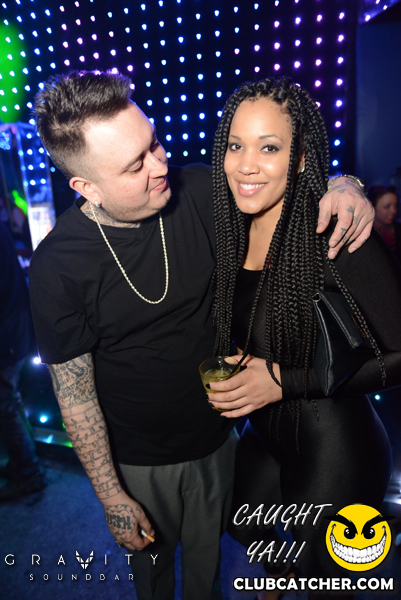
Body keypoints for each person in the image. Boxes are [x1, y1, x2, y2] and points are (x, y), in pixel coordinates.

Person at [29, 70, 375, 600]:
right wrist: (111, 497)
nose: (159, 164)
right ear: (86, 187)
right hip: (140, 458)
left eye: (154, 143)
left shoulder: (195, 189)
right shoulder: (58, 265)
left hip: (220, 439)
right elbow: (73, 394)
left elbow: (280, 179)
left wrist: (345, 184)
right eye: (135, 165)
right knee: (153, 577)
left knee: (207, 569)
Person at [208, 77, 401, 598]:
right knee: (242, 523)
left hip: (338, 446)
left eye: (269, 147)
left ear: (298, 160)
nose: (246, 165)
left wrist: (284, 380)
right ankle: (281, 578)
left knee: (327, 577)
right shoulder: (229, 224)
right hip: (266, 435)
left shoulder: (336, 229)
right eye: (235, 145)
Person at [0, 221, 46, 500]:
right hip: (12, 327)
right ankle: (23, 465)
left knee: (6, 405)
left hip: (6, 332)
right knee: (9, 403)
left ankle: (28, 473)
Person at [366, 184, 401, 264]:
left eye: (395, 206)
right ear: (373, 207)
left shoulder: (398, 229)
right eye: (387, 206)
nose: (393, 211)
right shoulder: (365, 233)